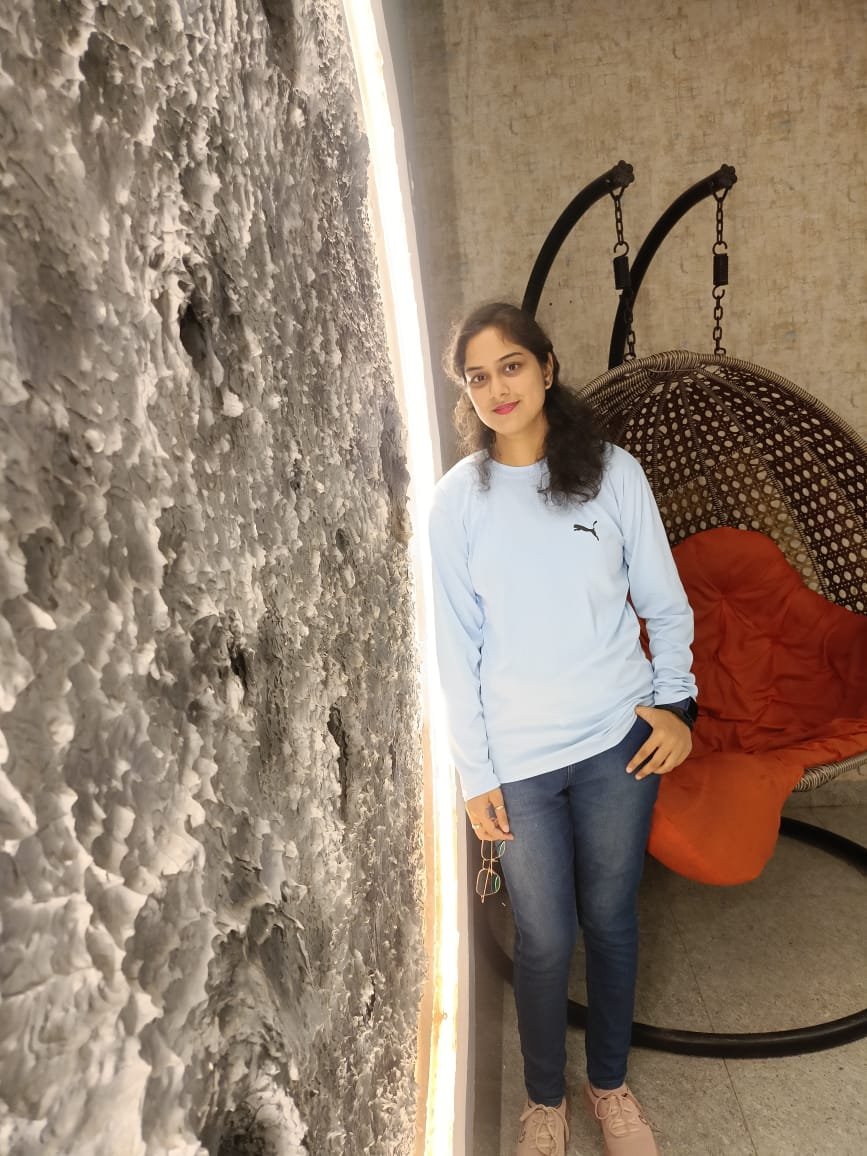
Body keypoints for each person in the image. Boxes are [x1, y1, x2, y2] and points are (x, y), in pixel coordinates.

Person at [428, 303, 698, 1156]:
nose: (497, 389)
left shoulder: (613, 475)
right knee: (544, 937)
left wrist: (677, 706)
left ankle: (607, 1086)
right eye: (477, 377)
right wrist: (475, 774)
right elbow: (453, 650)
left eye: (510, 366)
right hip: (519, 764)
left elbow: (663, 603)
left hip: (618, 743)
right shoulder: (456, 503)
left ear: (545, 368)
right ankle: (543, 1100)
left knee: (611, 918)